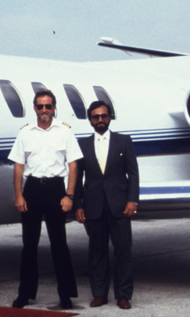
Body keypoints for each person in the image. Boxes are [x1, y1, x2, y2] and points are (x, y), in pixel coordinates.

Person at [8, 89, 82, 310]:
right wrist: (19, 195)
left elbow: (73, 165)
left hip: (56, 190)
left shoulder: (65, 132)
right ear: (34, 108)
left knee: (59, 244)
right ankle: (25, 294)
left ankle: (66, 295)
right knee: (29, 245)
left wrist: (69, 195)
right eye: (40, 106)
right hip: (32, 190)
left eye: (48, 106)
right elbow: (19, 167)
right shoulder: (25, 133)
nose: (44, 110)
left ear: (54, 108)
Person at [74, 101, 139, 310]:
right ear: (90, 120)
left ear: (109, 117)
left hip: (119, 205)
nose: (100, 120)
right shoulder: (82, 144)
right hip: (94, 206)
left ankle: (123, 295)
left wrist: (132, 200)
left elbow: (133, 173)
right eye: (95, 117)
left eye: (103, 116)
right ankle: (99, 294)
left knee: (123, 252)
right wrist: (78, 205)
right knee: (97, 253)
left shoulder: (123, 141)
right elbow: (77, 177)